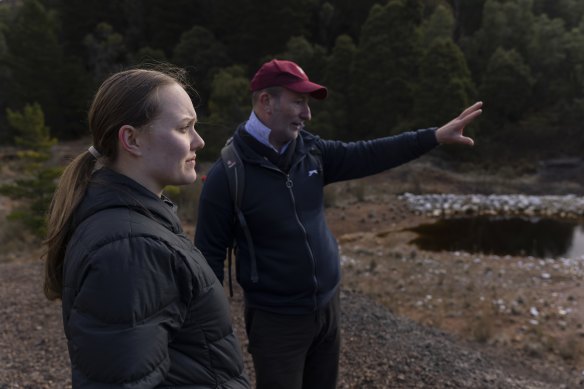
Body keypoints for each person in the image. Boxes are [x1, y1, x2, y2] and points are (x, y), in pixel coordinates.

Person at [194, 59, 482, 389]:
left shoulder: (312, 151)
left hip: (328, 307)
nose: (307, 113)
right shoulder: (227, 175)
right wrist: (210, 339)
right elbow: (207, 262)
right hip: (277, 321)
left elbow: (372, 153)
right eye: (298, 102)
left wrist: (433, 137)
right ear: (266, 102)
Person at [43, 67, 250, 388]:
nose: (199, 140)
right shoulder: (131, 247)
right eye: (185, 128)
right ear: (132, 139)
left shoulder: (134, 224)